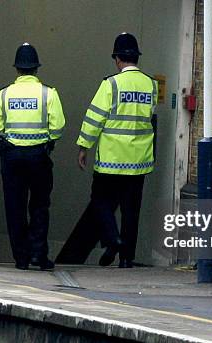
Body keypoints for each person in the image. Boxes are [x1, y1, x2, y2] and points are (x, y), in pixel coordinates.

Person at [56, 33, 157, 268]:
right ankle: (126, 259)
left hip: (111, 160)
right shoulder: (150, 84)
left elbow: (95, 118)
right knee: (132, 211)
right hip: (138, 162)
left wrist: (84, 146)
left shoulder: (110, 84)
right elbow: (149, 117)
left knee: (100, 202)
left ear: (117, 59)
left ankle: (113, 239)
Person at [0, 43, 65, 271]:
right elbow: (58, 126)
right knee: (40, 206)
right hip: (39, 156)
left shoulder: (3, 94)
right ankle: (38, 255)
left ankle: (21, 259)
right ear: (36, 69)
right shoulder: (48, 93)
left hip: (12, 156)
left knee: (15, 207)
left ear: (17, 69)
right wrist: (46, 139)